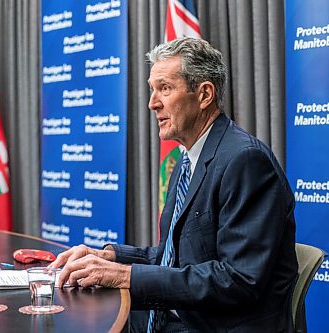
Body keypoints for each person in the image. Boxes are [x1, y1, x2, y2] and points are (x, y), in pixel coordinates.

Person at [49, 38, 297, 332]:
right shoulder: (188, 159)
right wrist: (109, 256)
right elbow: (177, 256)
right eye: (152, 89)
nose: (152, 103)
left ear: (204, 94)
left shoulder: (246, 161)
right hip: (179, 315)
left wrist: (125, 276)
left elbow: (238, 280)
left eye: (164, 88)